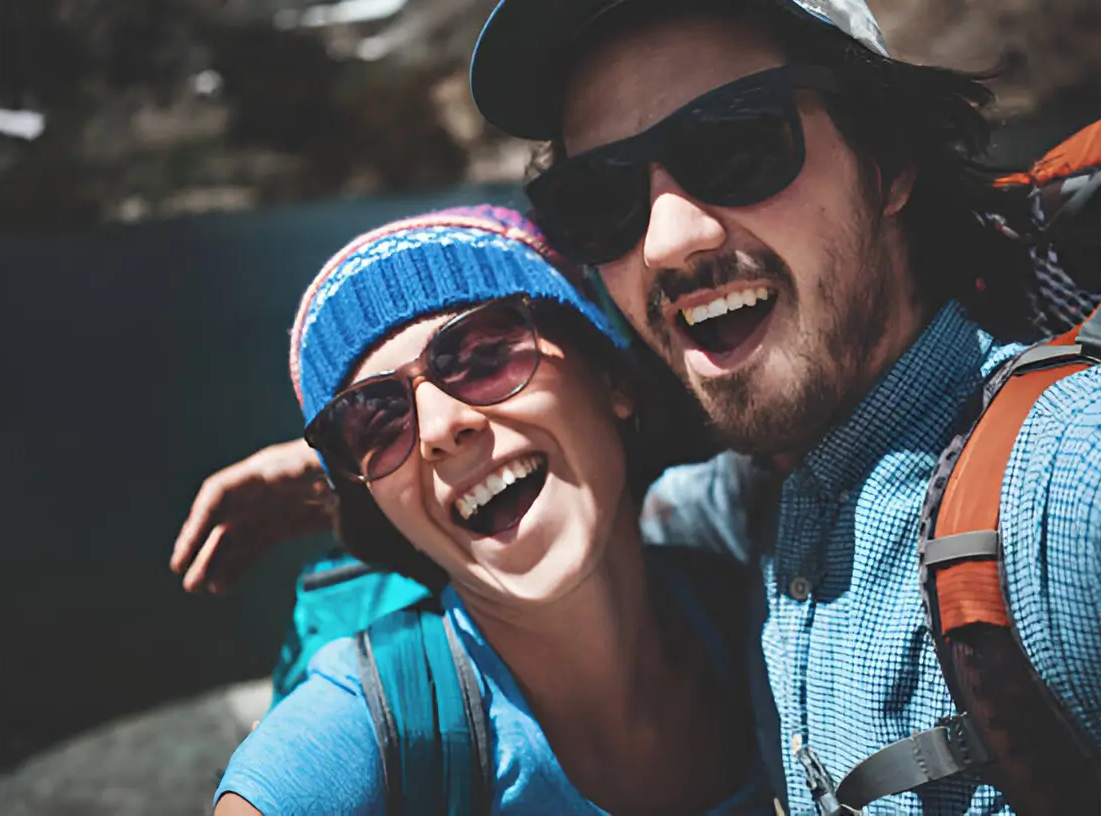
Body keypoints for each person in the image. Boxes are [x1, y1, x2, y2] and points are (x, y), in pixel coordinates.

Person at [174, 0, 1101, 812]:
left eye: (739, 145)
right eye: (604, 199)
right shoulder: (754, 509)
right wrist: (355, 474)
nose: (667, 238)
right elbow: (603, 491)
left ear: (889, 162)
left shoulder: (1093, 474)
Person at [210, 205, 774, 815]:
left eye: (483, 355)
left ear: (610, 376)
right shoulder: (362, 731)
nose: (439, 429)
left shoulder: (749, 586)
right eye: (374, 419)